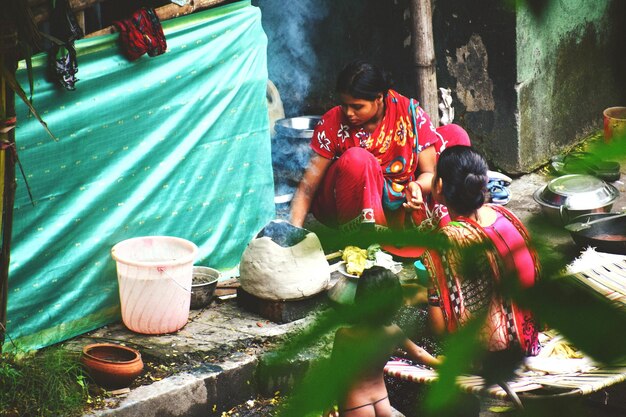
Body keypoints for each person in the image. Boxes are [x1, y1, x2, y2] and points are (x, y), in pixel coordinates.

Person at [289, 60, 470, 237]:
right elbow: (308, 187)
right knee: (358, 159)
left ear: (379, 98)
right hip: (351, 202)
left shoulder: (409, 115)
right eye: (344, 105)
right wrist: (294, 232)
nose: (349, 113)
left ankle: (456, 227)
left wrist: (416, 187)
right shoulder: (333, 122)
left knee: (455, 136)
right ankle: (364, 238)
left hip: (404, 200)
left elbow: (430, 173)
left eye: (357, 107)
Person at [422, 146, 540, 357]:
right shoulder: (505, 213)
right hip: (530, 342)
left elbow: (438, 328)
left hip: (492, 360)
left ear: (438, 185)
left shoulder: (448, 239)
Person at [327, 266, 440, 417]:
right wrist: (442, 365)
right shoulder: (393, 332)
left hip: (355, 404)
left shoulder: (344, 336)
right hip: (382, 401)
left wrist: (328, 405)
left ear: (360, 299)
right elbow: (418, 353)